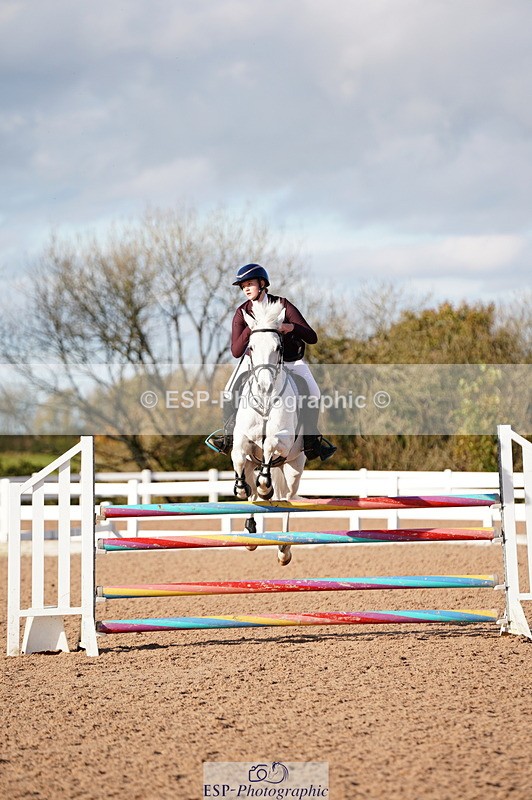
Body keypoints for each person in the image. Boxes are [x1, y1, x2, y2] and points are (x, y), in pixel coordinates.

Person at [207, 263, 336, 462]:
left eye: (249, 284)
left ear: (262, 283)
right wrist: (252, 329)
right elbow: (235, 351)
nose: (246, 289)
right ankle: (228, 436)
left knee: (314, 392)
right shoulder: (242, 312)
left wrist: (290, 327)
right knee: (227, 391)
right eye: (243, 286)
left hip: (290, 361)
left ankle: (312, 440)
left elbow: (312, 337)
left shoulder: (283, 305)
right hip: (255, 362)